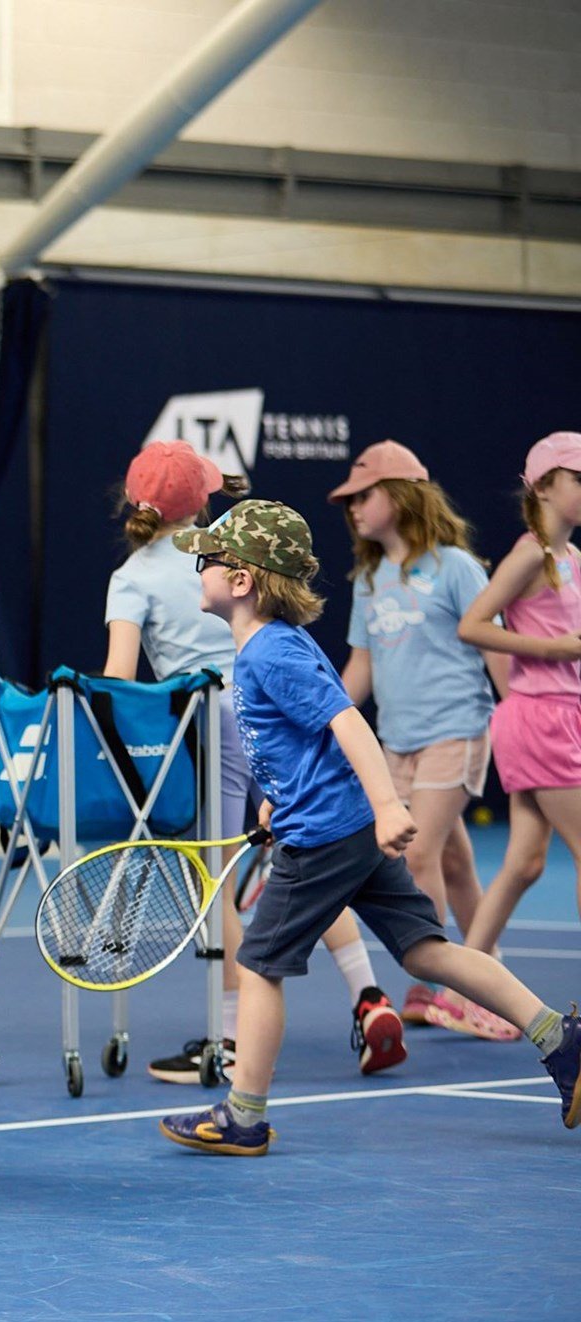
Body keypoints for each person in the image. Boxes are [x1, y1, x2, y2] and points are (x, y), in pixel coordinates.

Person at [158, 500, 579, 1155]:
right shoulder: (272, 647)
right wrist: (276, 799)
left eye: (207, 561)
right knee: (425, 952)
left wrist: (388, 804)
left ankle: (243, 1116)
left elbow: (347, 723)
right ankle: (562, 1039)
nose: (199, 569)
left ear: (241, 581)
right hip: (338, 824)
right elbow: (302, 743)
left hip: (327, 836)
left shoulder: (270, 653)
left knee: (260, 964)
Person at [102, 442, 402, 1084]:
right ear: (204, 499)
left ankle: (232, 1039)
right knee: (308, 860)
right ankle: (369, 994)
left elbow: (119, 683)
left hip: (201, 730)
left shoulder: (133, 578)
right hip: (276, 718)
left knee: (211, 886)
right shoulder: (235, 549)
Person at [329, 440, 510, 1037]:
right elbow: (360, 670)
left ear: (402, 496)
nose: (353, 507)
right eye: (350, 499)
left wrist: (517, 714)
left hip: (456, 730)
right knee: (454, 862)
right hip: (395, 743)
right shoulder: (369, 579)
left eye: (365, 495)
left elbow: (495, 647)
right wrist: (318, 719)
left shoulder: (456, 567)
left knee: (418, 856)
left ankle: (435, 983)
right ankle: (493, 982)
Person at [450, 431, 581, 995]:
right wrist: (555, 650)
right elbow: (473, 625)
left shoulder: (572, 556)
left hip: (558, 715)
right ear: (547, 487)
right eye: (580, 479)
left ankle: (463, 984)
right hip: (541, 719)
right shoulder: (531, 553)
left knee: (526, 862)